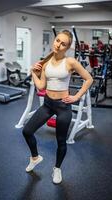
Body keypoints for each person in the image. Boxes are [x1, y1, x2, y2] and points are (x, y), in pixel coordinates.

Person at [22, 30, 93, 184]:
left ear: (67, 47)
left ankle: (57, 168)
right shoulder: (46, 63)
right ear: (54, 40)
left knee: (61, 141)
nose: (58, 45)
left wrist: (76, 96)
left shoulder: (70, 62)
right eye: (57, 41)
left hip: (63, 106)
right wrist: (33, 72)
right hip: (47, 104)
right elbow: (41, 86)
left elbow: (89, 79)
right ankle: (35, 158)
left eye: (63, 44)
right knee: (27, 131)